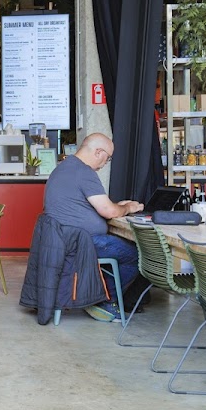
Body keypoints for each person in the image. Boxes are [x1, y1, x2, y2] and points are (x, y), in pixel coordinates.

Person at [42, 132, 143, 322]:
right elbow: (108, 211)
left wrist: (116, 206)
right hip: (81, 243)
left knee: (120, 248)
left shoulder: (64, 167)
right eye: (108, 157)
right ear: (98, 152)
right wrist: (127, 207)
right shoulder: (84, 171)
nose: (106, 163)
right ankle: (103, 301)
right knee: (138, 256)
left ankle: (94, 293)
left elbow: (86, 205)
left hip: (62, 239)